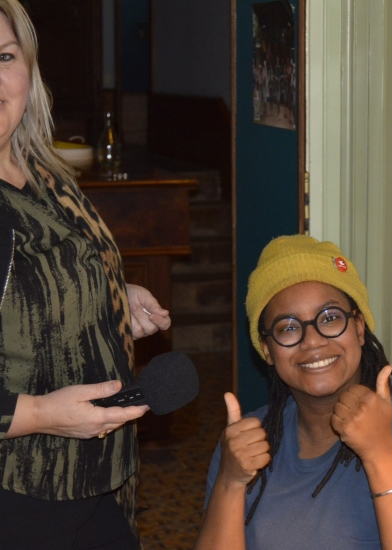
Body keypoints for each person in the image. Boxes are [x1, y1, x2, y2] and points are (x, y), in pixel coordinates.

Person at [195, 235, 392, 550]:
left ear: (359, 328)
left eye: (329, 318)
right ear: (267, 350)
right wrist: (230, 482)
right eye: (288, 327)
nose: (312, 341)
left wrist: (380, 453)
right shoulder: (248, 442)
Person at [0, 1, 171, 547]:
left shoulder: (45, 171)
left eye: (3, 57)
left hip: (95, 478)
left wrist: (107, 294)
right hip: (19, 488)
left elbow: (41, 279)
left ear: (29, 68)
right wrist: (40, 415)